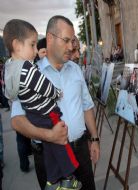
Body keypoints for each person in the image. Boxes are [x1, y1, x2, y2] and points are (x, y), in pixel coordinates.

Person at [10, 15, 100, 190]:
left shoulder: (75, 70)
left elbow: (86, 106)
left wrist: (94, 139)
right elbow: (16, 121)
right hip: (48, 157)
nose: (70, 46)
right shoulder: (30, 74)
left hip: (80, 151)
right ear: (50, 38)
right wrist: (49, 136)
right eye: (66, 40)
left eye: (72, 41)